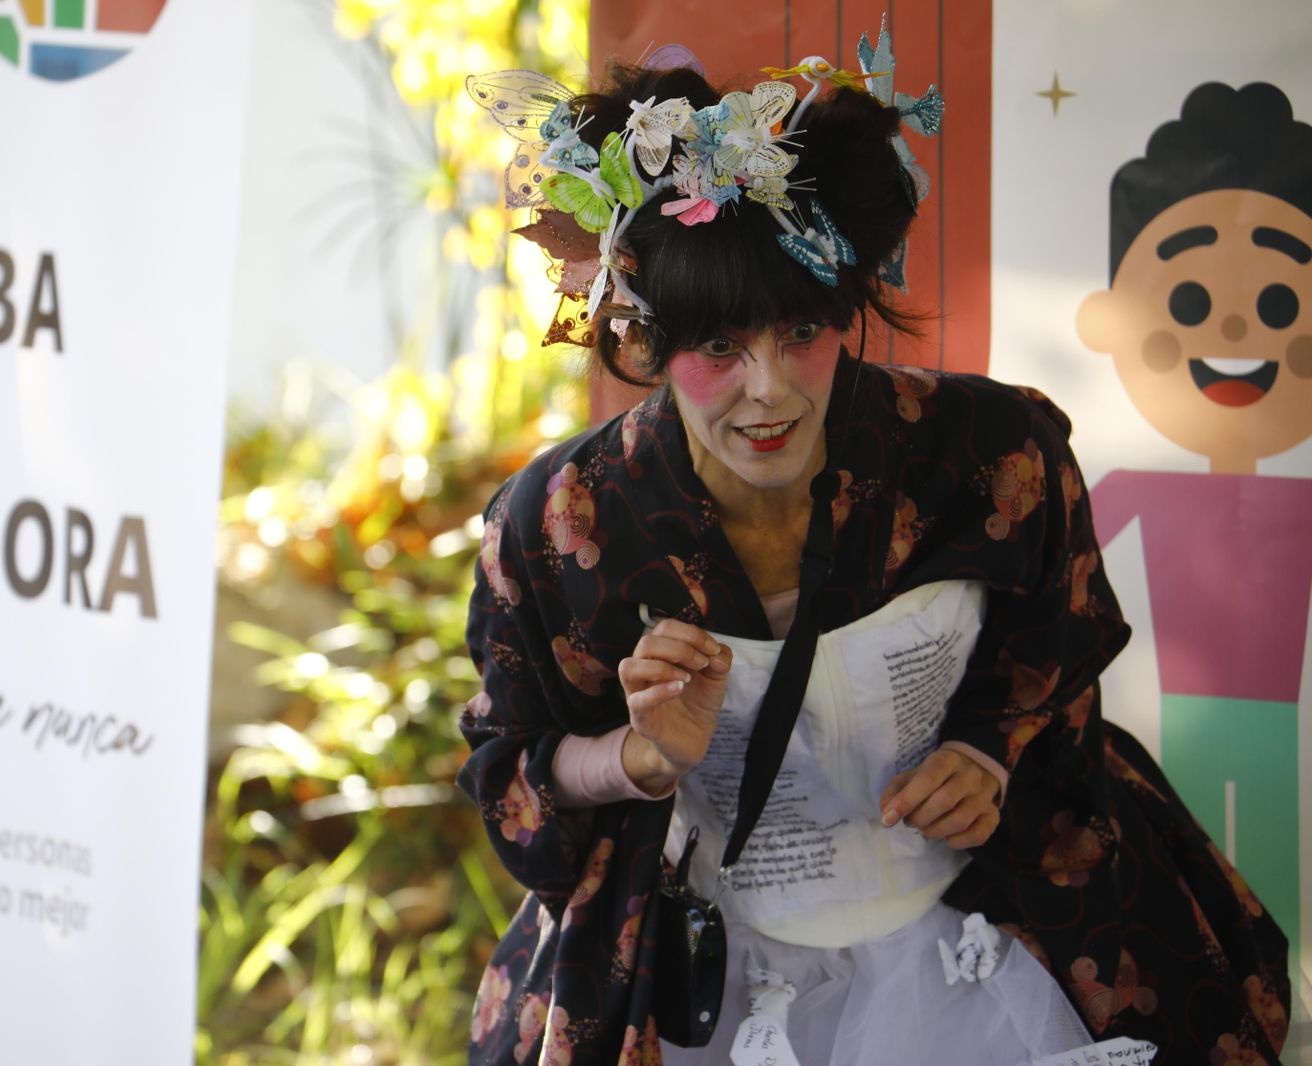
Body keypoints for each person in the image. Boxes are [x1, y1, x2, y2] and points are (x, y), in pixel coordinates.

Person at [459, 36, 1290, 1066]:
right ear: (643, 337)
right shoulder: (558, 525)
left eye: (801, 328)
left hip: (986, 936)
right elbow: (511, 767)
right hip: (713, 966)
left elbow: (1057, 648)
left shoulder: (993, 452)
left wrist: (987, 749)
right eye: (718, 345)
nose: (768, 387)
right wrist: (637, 756)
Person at [1076, 81, 1312, 965]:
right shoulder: (1131, 483)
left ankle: (1281, 1000)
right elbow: (1051, 561)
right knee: (1179, 854)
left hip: (1278, 714)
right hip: (1160, 715)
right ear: (1108, 319)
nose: (1241, 323)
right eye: (1188, 299)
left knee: (1274, 852)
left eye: (1281, 303)